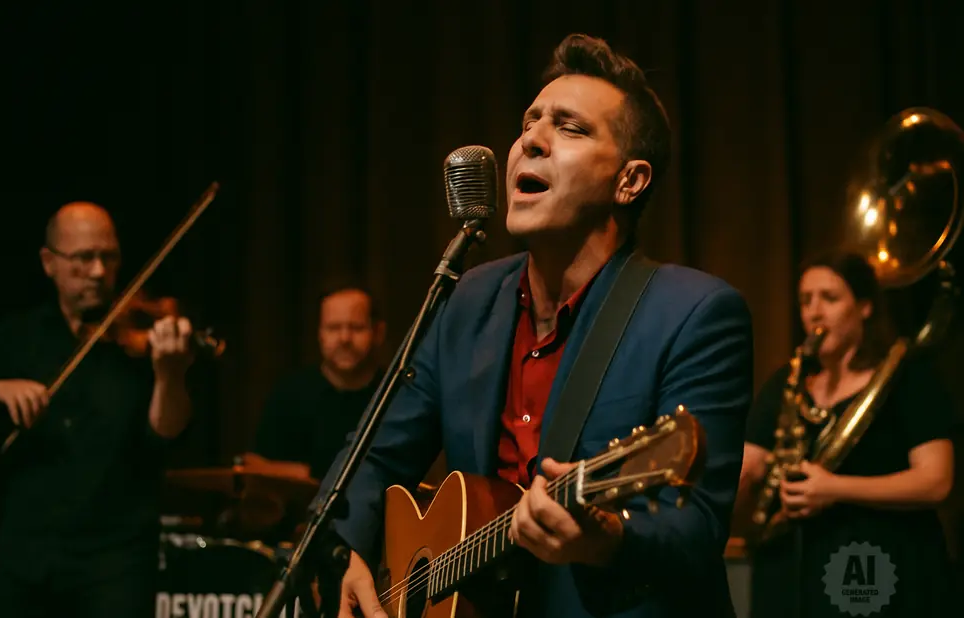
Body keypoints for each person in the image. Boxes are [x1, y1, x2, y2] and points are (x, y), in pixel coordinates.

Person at [313, 34, 755, 618]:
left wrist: (607, 539)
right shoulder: (467, 300)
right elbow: (373, 454)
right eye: (529, 122)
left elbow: (696, 528)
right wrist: (344, 550)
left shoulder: (695, 313)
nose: (531, 141)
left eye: (570, 128)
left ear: (630, 181)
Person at [0, 202, 196, 618]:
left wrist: (169, 375)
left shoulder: (139, 342)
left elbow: (166, 432)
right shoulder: (17, 337)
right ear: (48, 262)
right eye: (84, 258)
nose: (98, 271)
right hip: (25, 558)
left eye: (109, 257)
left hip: (117, 563)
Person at [739, 251, 956, 618]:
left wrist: (835, 489)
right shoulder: (787, 383)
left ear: (865, 307)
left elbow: (936, 481)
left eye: (830, 298)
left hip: (884, 570)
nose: (814, 312)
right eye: (805, 300)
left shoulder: (908, 376)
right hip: (795, 574)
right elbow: (750, 464)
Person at [247, 283, 386, 481]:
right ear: (320, 334)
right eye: (333, 327)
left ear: (378, 332)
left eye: (356, 327)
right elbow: (252, 466)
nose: (344, 338)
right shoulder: (290, 395)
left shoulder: (395, 395)